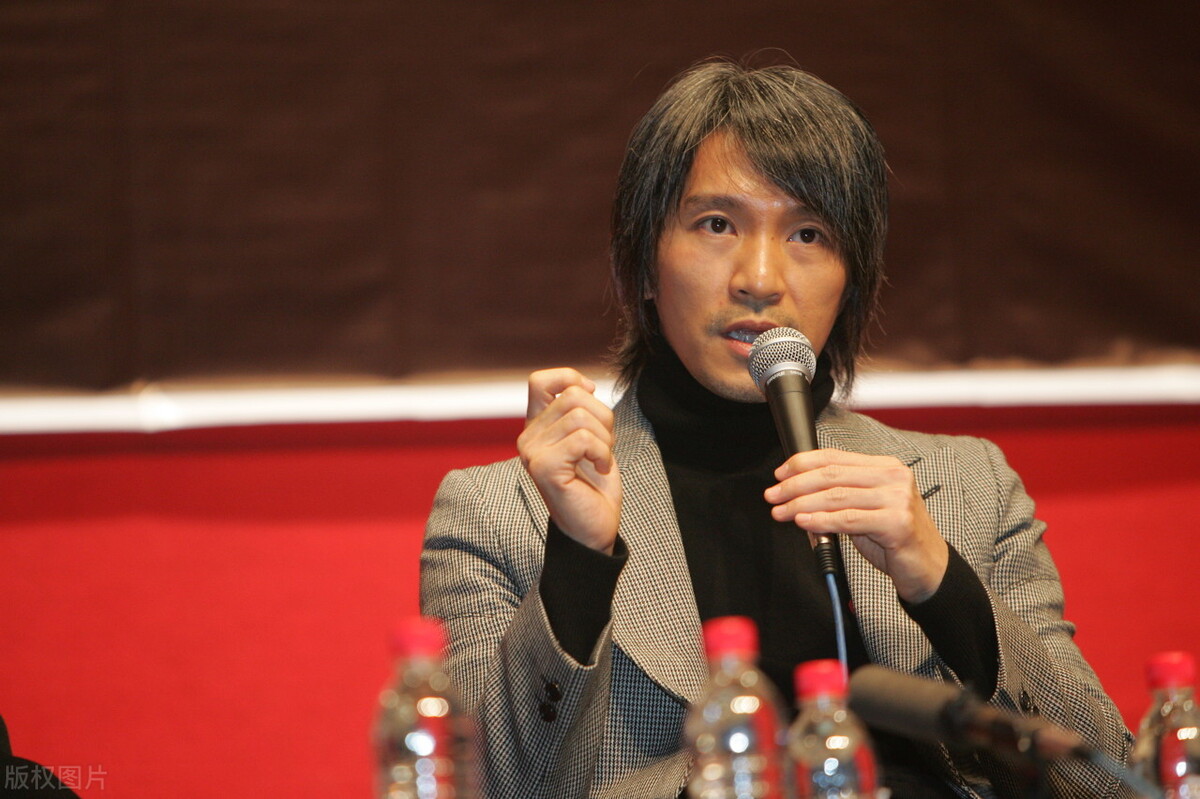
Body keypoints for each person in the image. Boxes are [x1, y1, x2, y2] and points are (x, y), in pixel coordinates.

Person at [420, 59, 1132, 798]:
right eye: (717, 224)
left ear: (851, 280)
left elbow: (1106, 779)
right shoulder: (498, 512)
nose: (760, 278)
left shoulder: (969, 488)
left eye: (808, 233)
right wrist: (578, 560)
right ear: (644, 263)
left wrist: (941, 584)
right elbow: (480, 785)